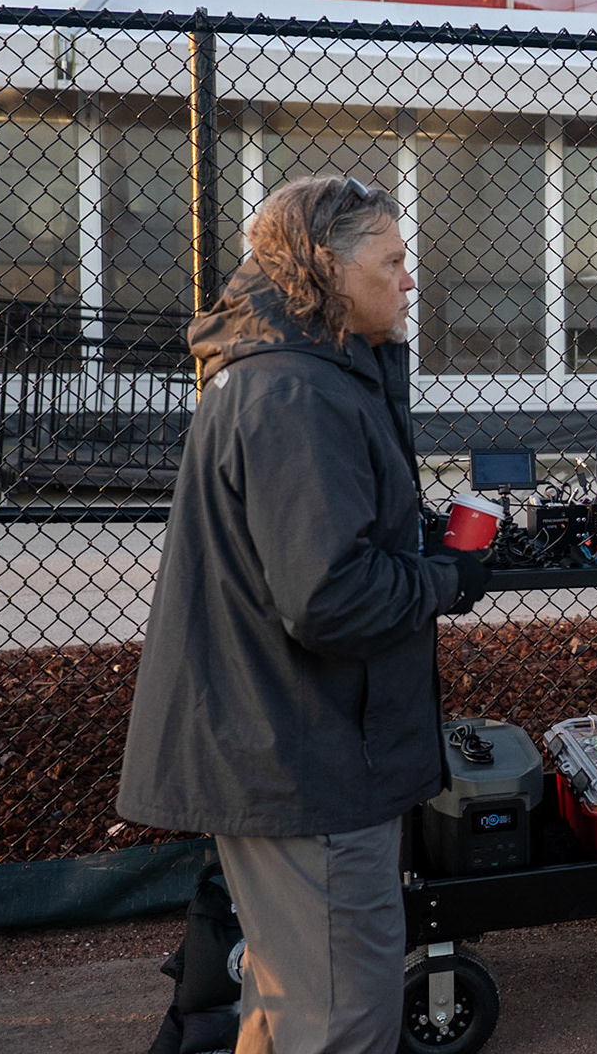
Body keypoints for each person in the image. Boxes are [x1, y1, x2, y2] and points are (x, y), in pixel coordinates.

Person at [118, 176, 491, 1054]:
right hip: (306, 760)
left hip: (285, 744)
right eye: (391, 261)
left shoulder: (292, 371)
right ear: (328, 266)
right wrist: (445, 579)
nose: (409, 279)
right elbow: (332, 599)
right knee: (340, 1015)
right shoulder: (298, 392)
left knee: (290, 1001)